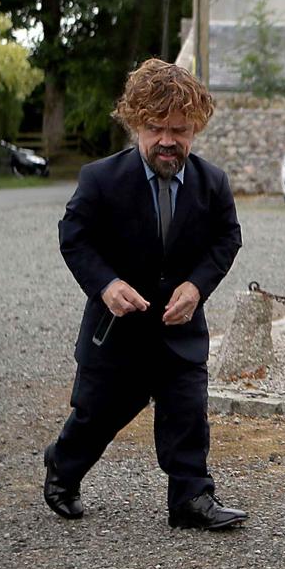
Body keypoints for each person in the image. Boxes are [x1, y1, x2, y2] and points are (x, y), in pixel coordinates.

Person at [42, 58, 248, 531]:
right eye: (156, 128)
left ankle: (192, 498)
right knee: (98, 415)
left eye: (180, 129)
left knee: (187, 412)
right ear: (136, 122)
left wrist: (197, 287)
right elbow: (74, 236)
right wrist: (106, 284)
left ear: (195, 128)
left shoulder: (212, 183)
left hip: (180, 331)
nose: (168, 141)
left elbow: (226, 240)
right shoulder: (100, 179)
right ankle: (63, 467)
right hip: (115, 332)